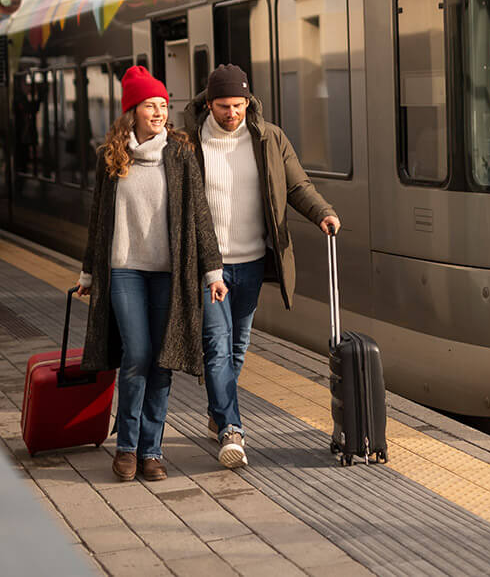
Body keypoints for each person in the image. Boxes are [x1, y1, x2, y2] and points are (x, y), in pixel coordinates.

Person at [184, 64, 340, 468]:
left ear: (248, 102)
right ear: (208, 103)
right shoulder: (189, 141)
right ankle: (230, 430)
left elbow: (296, 185)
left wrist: (322, 212)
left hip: (251, 261)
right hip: (209, 266)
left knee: (237, 348)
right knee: (217, 347)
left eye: (238, 105)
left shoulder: (268, 138)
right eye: (222, 106)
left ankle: (217, 410)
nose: (231, 113)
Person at [77, 66, 224, 482]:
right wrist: (89, 274)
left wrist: (213, 272)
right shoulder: (113, 158)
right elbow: (98, 219)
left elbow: (200, 214)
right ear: (132, 112)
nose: (159, 112)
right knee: (137, 354)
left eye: (162, 105)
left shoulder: (179, 153)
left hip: (168, 274)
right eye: (150, 105)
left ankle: (151, 451)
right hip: (124, 270)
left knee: (163, 361)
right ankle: (126, 446)